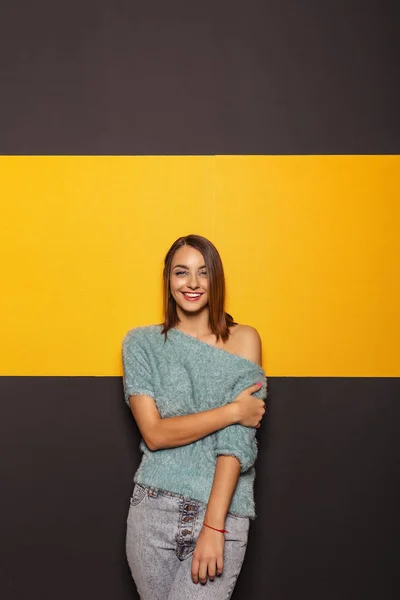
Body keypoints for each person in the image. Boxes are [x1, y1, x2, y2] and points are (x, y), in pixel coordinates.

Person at [122, 234, 267, 600]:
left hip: (221, 512)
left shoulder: (244, 339)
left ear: (215, 279)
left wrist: (213, 527)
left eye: (203, 273)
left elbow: (237, 442)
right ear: (168, 281)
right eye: (181, 272)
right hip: (152, 508)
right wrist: (234, 410)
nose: (192, 283)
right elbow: (154, 434)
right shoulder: (141, 344)